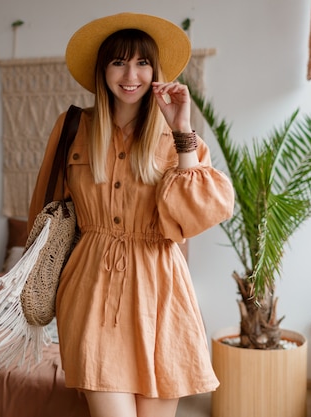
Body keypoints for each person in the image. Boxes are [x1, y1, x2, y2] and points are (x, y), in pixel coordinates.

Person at [27, 12, 235, 417]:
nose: (131, 74)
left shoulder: (177, 138)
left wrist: (182, 129)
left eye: (142, 62)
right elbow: (44, 210)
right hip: (91, 292)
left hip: (162, 295)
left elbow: (198, 214)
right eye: (119, 61)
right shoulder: (73, 128)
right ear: (103, 69)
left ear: (155, 71)